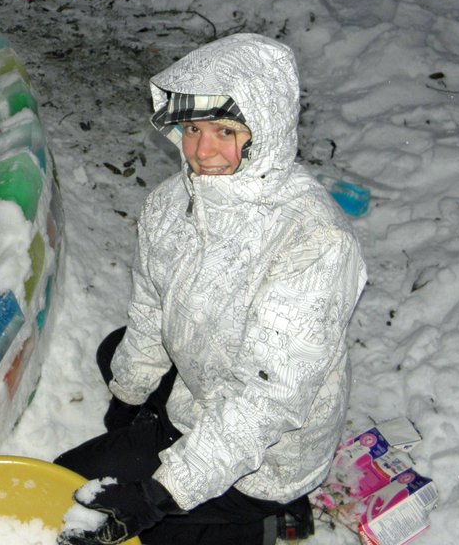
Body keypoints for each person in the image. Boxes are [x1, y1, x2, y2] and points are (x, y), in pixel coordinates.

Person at [55, 33, 366, 545]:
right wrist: (127, 400)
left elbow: (268, 403)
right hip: (195, 407)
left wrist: (160, 492)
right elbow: (151, 308)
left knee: (124, 532)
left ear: (263, 131)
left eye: (226, 130)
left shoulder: (315, 243)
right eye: (193, 128)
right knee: (67, 485)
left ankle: (274, 510)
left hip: (268, 457)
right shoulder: (170, 204)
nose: (203, 151)